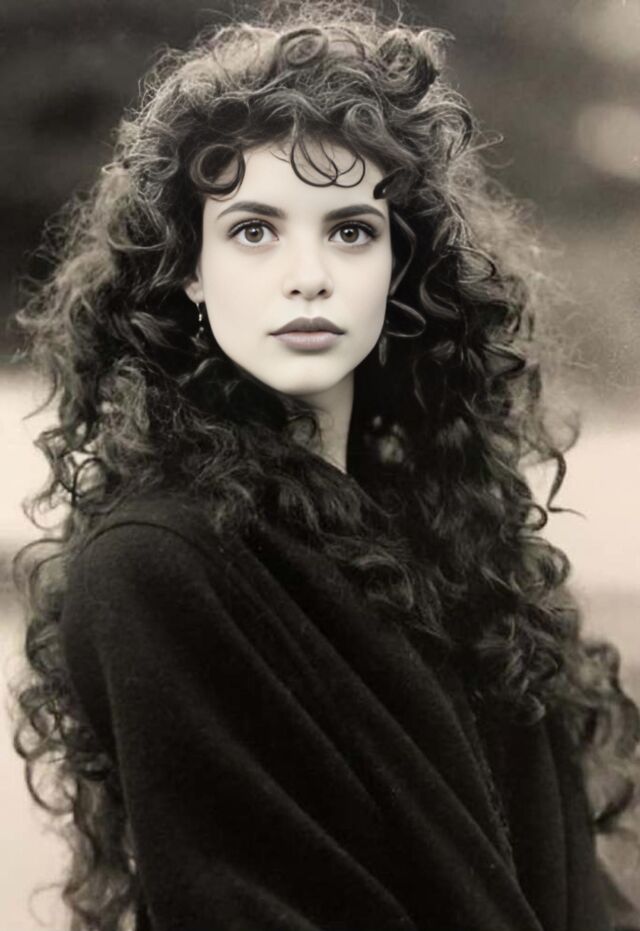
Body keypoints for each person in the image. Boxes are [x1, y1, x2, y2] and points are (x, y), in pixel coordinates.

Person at [10, 1, 640, 929]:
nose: (307, 274)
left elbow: (577, 884)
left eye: (349, 230)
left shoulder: (457, 533)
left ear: (398, 263)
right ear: (191, 269)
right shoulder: (154, 565)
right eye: (254, 230)